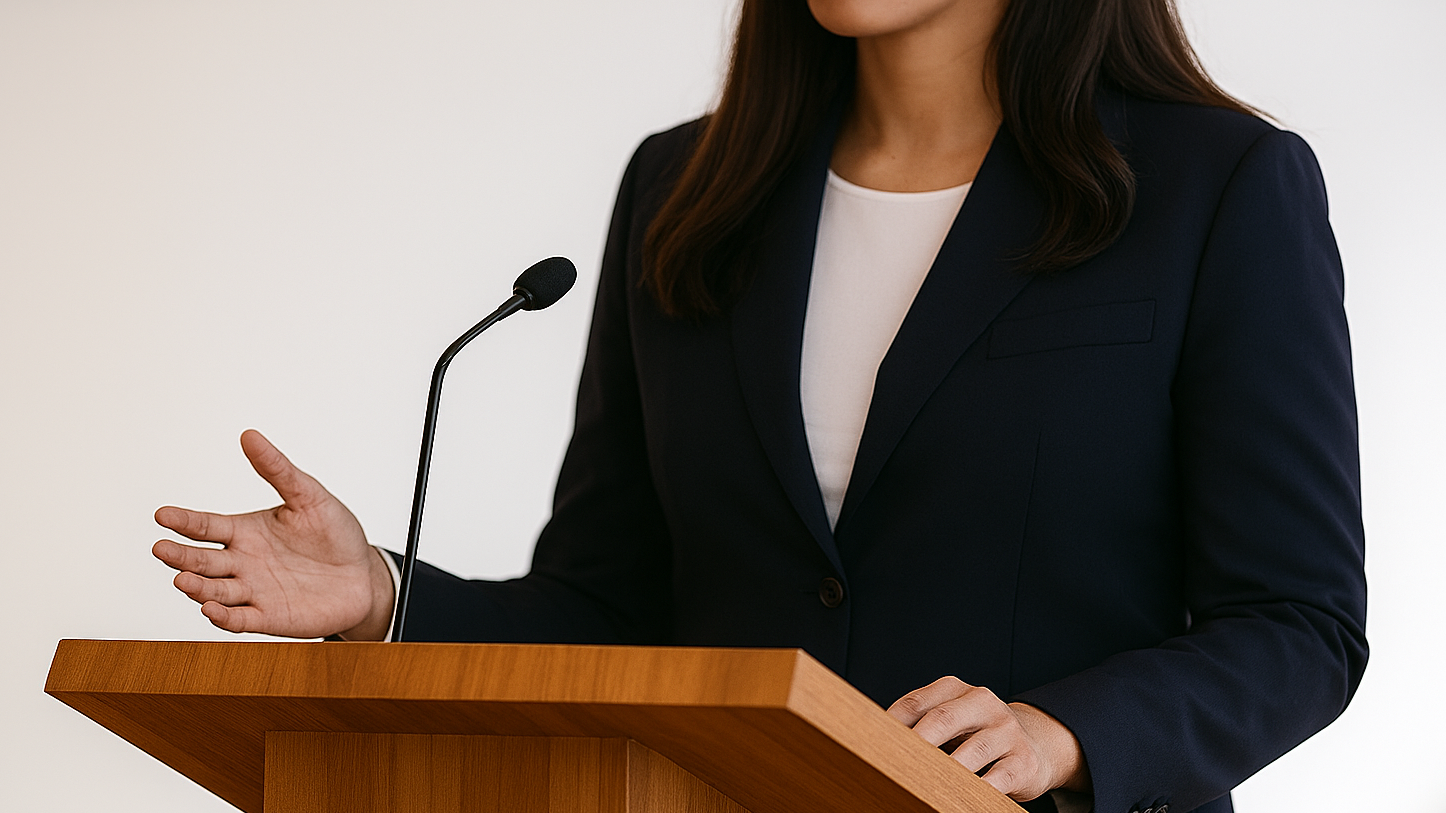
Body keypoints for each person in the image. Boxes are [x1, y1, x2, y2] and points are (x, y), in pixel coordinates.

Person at [151, 1, 1368, 811]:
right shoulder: (688, 186)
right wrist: (387, 598)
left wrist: (1069, 732)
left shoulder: (1218, 187)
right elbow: (616, 606)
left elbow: (1299, 624)